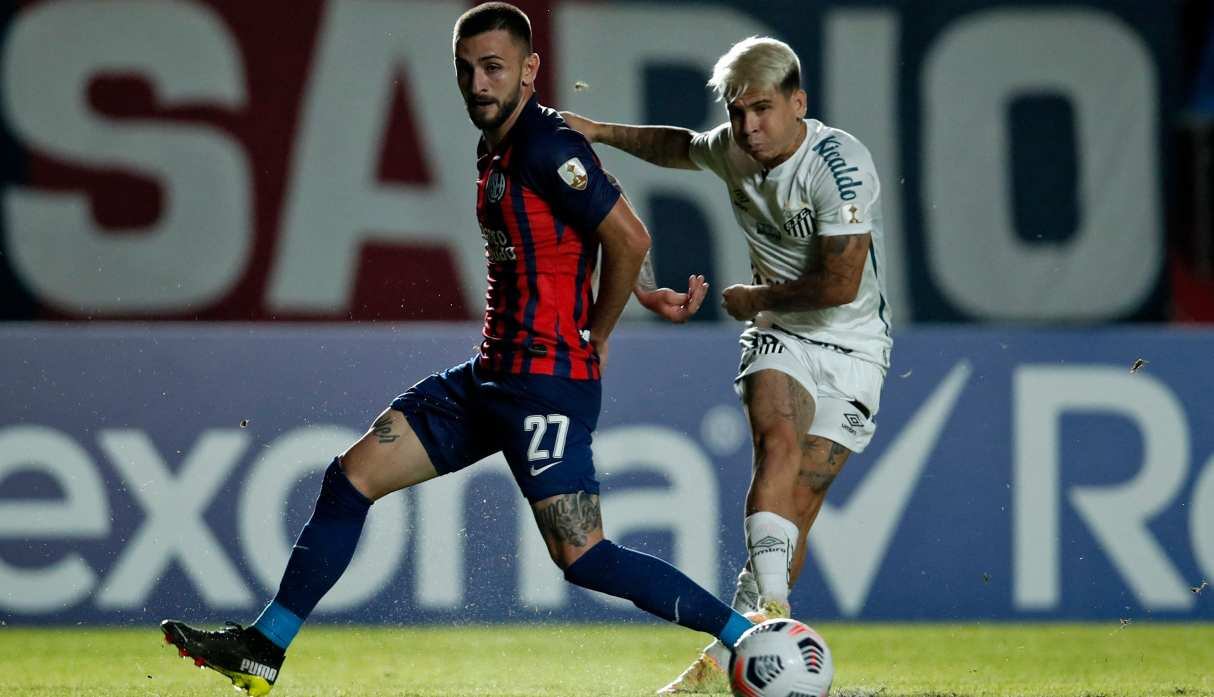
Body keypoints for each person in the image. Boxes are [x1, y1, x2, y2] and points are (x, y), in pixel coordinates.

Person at [159, 4, 750, 695]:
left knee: (583, 555)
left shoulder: (544, 143)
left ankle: (747, 637)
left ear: (531, 69)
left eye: (493, 67)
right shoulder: (498, 144)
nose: (477, 82)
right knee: (350, 476)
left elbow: (630, 236)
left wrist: (598, 331)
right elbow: (593, 228)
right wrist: (643, 292)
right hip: (490, 374)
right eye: (465, 69)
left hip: (545, 383)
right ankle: (264, 646)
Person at [562, 35, 892, 693]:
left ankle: (722, 665)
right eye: (738, 111)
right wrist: (597, 131)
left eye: (763, 109)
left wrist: (756, 295)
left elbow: (842, 283)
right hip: (777, 335)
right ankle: (775, 629)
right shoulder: (735, 147)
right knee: (777, 442)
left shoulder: (839, 165)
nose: (747, 126)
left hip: (854, 348)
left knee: (793, 509)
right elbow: (681, 145)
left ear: (798, 102)